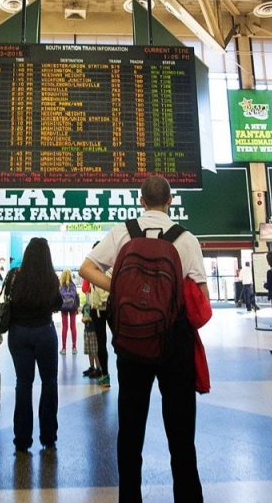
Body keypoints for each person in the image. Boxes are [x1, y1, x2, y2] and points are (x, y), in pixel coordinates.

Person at [79, 175, 207, 502]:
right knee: (181, 433)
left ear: (140, 201)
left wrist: (122, 289)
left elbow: (87, 268)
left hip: (132, 339)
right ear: (171, 200)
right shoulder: (186, 238)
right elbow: (202, 301)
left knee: (131, 429)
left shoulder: (123, 232)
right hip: (175, 341)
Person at [5, 237, 62, 453]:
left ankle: (22, 439)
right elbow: (57, 304)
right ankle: (48, 436)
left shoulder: (14, 276)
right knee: (49, 382)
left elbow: (8, 300)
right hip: (44, 333)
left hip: (18, 333)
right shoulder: (50, 277)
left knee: (23, 383)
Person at [81, 241, 111, 387]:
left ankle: (106, 374)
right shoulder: (93, 270)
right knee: (100, 342)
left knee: (116, 342)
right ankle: (104, 374)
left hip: (109, 307)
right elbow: (89, 294)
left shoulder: (111, 268)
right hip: (96, 310)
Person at [58, 269, 79, 355]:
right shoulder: (73, 285)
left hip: (64, 308)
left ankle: (64, 349)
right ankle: (74, 348)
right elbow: (76, 297)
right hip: (72, 307)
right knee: (73, 326)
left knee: (64, 327)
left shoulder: (61, 286)